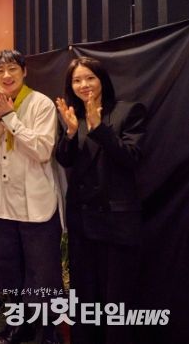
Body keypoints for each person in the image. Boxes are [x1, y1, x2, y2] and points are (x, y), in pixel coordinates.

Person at [0, 49, 63, 344]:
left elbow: (42, 150)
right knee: (7, 269)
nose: (6, 75)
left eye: (12, 68)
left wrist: (11, 118)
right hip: (2, 205)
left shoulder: (41, 104)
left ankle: (47, 332)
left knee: (43, 273)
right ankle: (17, 325)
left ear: (24, 71)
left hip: (37, 205)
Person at [55, 56, 146, 344]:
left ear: (102, 80)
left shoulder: (128, 111)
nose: (84, 85)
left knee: (116, 299)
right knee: (84, 296)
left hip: (117, 223)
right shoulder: (72, 116)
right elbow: (65, 159)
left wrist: (100, 128)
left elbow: (131, 158)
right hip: (82, 221)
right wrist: (70, 132)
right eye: (77, 80)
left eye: (90, 78)